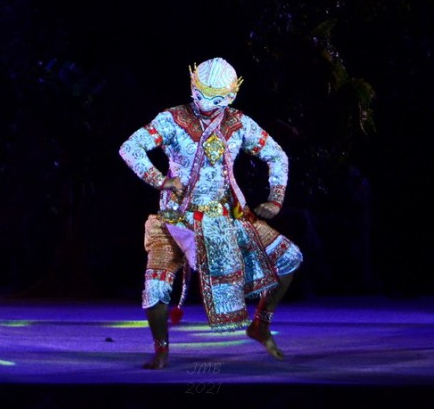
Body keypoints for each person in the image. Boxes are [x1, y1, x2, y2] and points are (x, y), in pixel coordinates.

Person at [119, 57, 303, 369]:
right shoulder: (173, 119)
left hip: (226, 219)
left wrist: (275, 199)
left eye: (216, 99)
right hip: (176, 220)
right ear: (192, 86)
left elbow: (277, 155)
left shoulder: (238, 123)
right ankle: (161, 350)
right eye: (201, 94)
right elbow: (130, 148)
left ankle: (261, 323)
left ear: (231, 96)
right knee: (156, 287)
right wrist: (160, 180)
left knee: (290, 258)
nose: (206, 104)